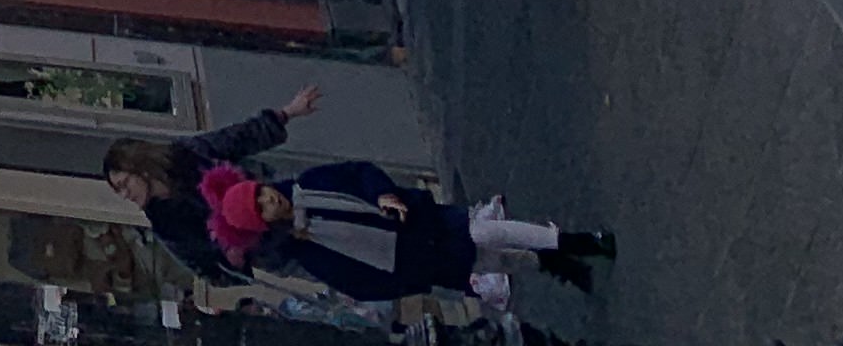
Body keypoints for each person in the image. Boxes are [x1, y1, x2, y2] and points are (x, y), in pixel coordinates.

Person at [201, 164, 612, 301]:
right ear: (266, 224)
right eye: (262, 208)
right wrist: (414, 280)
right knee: (496, 259)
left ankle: (576, 241)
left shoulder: (310, 181)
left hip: (418, 221)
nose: (270, 201)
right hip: (418, 261)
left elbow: (360, 172)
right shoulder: (306, 250)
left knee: (486, 231)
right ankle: (551, 259)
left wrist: (383, 194)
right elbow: (361, 286)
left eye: (262, 194)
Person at [103, 86, 326, 282]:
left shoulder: (187, 156)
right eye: (119, 190)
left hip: (283, 196)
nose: (125, 195)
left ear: (141, 168)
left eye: (124, 184)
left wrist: (288, 112)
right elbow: (207, 270)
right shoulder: (167, 226)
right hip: (281, 251)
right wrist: (234, 262)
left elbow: (237, 138)